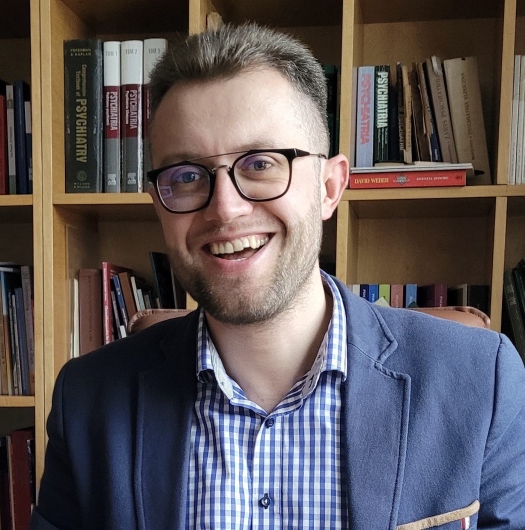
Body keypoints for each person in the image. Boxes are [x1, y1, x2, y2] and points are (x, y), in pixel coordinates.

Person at [31, 23, 525, 530]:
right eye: (186, 176)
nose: (225, 209)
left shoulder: (481, 381)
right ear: (158, 202)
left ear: (329, 188)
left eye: (261, 163)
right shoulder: (86, 401)